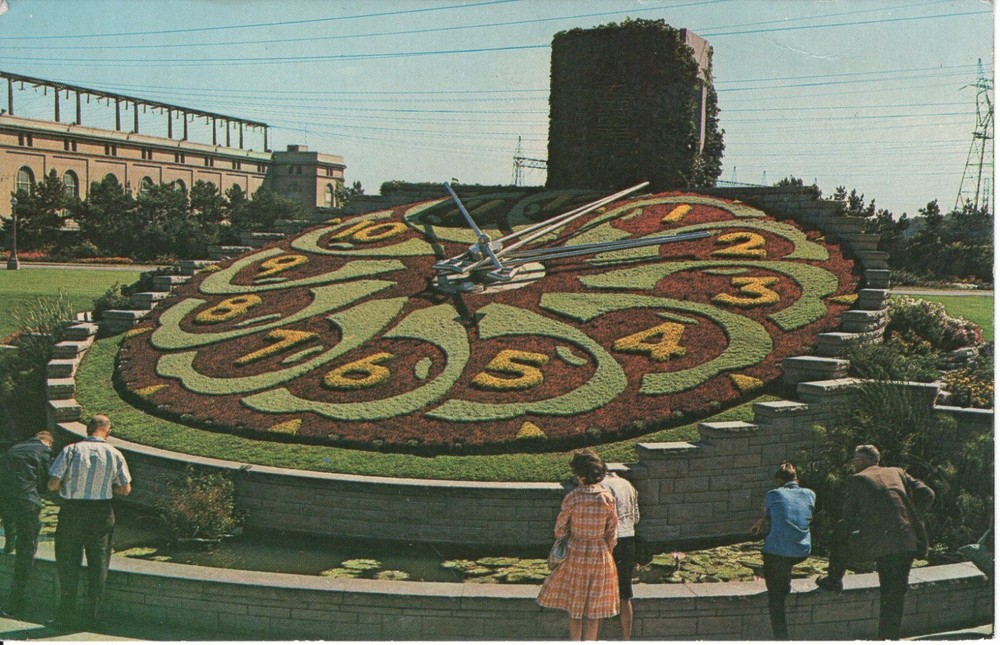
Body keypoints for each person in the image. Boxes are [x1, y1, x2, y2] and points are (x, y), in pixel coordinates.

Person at [816, 444, 935, 640]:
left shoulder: (858, 479)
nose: (854, 464)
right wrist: (912, 517)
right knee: (896, 593)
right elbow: (928, 494)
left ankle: (834, 579)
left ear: (862, 461)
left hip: (884, 544)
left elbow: (847, 520)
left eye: (855, 460)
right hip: (908, 539)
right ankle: (890, 638)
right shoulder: (897, 471)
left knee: (840, 532)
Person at [47, 415, 132, 628]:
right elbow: (125, 489)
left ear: (88, 429)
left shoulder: (70, 450)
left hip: (73, 512)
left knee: (67, 563)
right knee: (98, 564)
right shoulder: (115, 453)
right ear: (107, 431)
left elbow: (52, 485)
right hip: (100, 513)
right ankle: (92, 619)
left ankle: (64, 616)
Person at [537, 449, 619, 641]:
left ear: (579, 474)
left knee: (575, 607)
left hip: (576, 551)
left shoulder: (573, 497)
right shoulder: (607, 498)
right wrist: (605, 547)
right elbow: (613, 533)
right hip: (600, 554)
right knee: (594, 608)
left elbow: (559, 529)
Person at [750, 462, 815, 640]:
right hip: (803, 550)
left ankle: (781, 638)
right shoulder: (810, 494)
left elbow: (772, 512)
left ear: (778, 480)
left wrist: (763, 520)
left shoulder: (773, 494)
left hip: (778, 552)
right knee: (784, 563)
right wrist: (763, 520)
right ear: (796, 479)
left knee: (775, 597)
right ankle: (784, 585)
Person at [0, 431, 55, 617]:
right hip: (27, 501)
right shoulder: (44, 452)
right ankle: (15, 603)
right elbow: (47, 482)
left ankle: (9, 543)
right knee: (27, 550)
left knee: (11, 524)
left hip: (5, 498)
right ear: (48, 442)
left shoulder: (14, 449)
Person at [601, 467, 640, 640]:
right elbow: (636, 516)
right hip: (629, 538)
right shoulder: (628, 484)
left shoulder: (601, 486)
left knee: (600, 591)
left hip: (610, 540)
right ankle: (626, 638)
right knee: (625, 592)